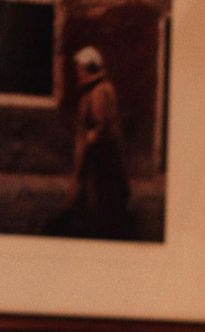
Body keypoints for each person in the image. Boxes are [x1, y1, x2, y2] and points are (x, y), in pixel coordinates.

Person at [55, 46, 130, 239]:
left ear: (88, 68)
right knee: (98, 192)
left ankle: (97, 228)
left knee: (98, 191)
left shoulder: (98, 91)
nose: (78, 72)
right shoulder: (99, 88)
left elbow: (101, 124)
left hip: (100, 153)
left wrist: (88, 142)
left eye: (80, 68)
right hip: (101, 151)